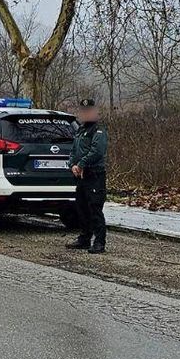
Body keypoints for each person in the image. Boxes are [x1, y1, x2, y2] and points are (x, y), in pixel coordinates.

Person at [67, 98, 108, 253]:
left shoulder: (98, 130)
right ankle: (84, 238)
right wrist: (72, 165)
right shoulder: (80, 130)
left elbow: (97, 151)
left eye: (89, 111)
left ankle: (99, 242)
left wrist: (82, 164)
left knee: (94, 208)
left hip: (94, 175)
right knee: (82, 208)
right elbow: (73, 150)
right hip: (81, 177)